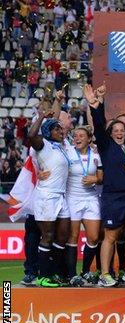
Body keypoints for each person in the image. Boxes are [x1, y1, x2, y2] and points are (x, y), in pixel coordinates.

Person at [87, 83, 125, 287]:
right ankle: (104, 274)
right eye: (116, 130)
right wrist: (96, 105)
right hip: (113, 197)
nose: (119, 132)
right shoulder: (105, 144)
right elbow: (99, 123)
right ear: (110, 133)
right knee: (110, 236)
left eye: (122, 130)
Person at [28, 115, 71, 287]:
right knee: (47, 236)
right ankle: (43, 276)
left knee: (62, 237)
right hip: (46, 196)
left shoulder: (60, 147)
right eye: (57, 129)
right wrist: (42, 116)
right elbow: (31, 135)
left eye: (61, 128)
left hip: (61, 196)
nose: (61, 131)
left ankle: (53, 273)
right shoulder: (42, 145)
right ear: (48, 132)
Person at [65, 125, 102, 286]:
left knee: (93, 237)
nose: (77, 138)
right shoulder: (68, 153)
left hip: (91, 198)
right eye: (75, 136)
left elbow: (101, 176)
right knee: (72, 237)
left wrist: (96, 179)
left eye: (81, 135)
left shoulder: (96, 155)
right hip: (72, 198)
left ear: (88, 139)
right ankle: (72, 274)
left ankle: (85, 270)